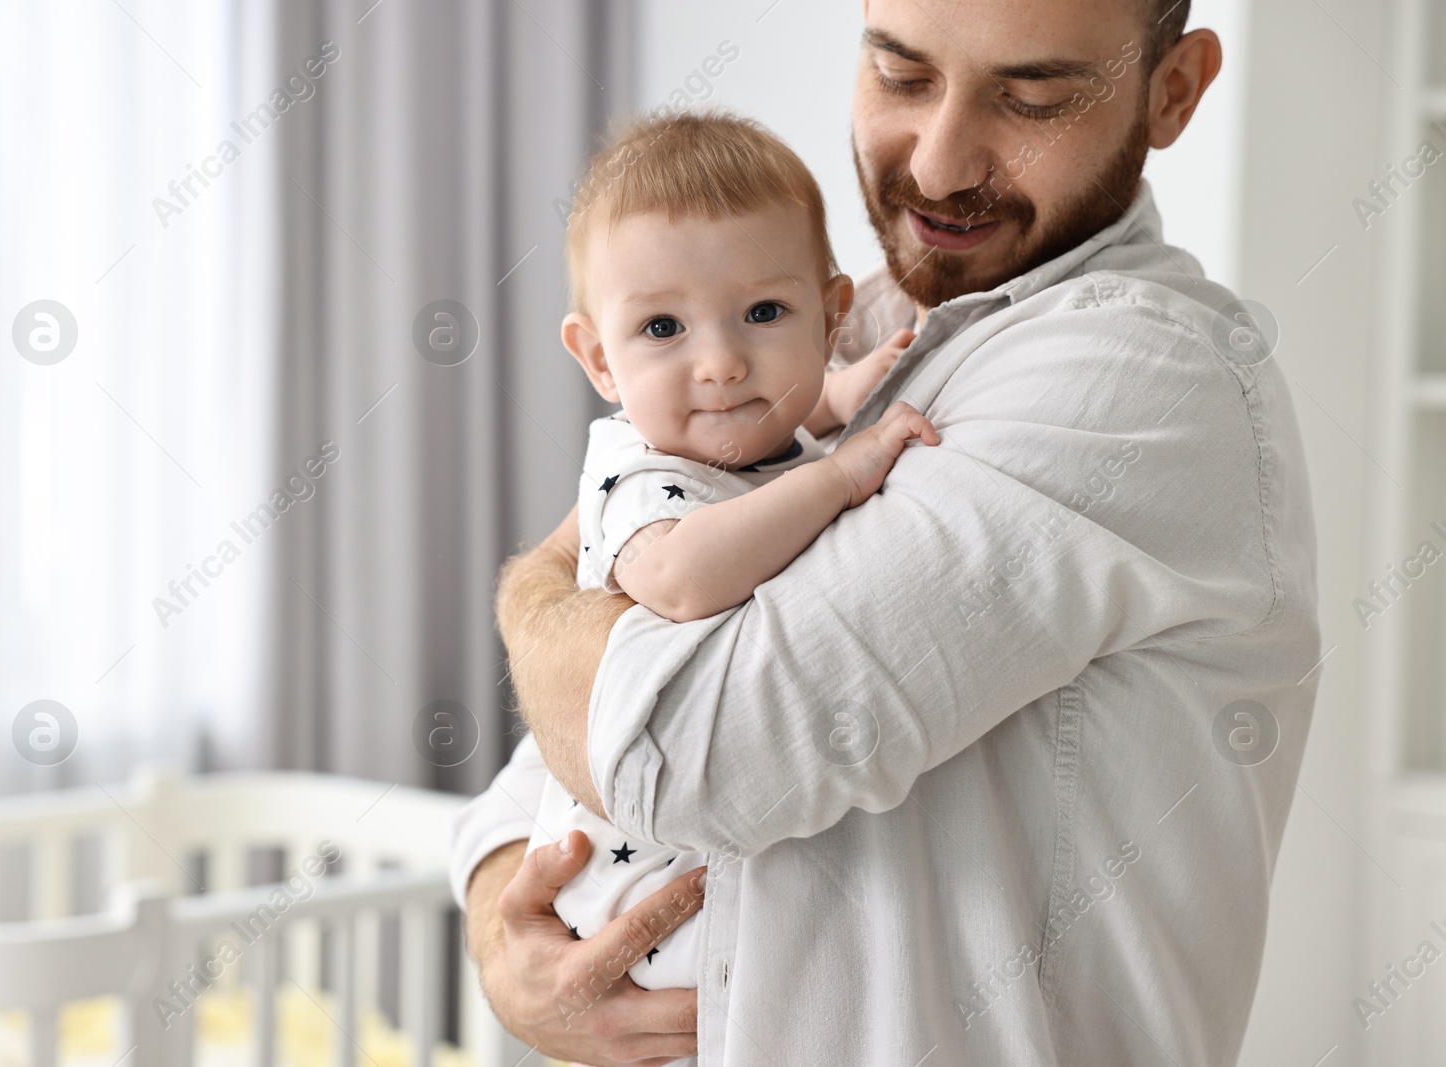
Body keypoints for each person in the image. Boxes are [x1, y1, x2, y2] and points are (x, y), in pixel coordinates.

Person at [450, 1, 1321, 1063]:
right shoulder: (814, 327)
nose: (943, 163)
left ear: (1172, 90)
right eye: (901, 77)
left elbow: (685, 755)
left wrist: (527, 595)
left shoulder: (1140, 371)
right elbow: (545, 761)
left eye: (1030, 98)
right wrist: (507, 928)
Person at [525, 110, 940, 1011]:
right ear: (599, 357)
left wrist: (843, 397)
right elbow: (681, 577)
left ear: (832, 319)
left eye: (763, 312)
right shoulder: (634, 473)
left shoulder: (753, 427)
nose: (720, 363)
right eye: (663, 328)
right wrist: (840, 476)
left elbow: (779, 420)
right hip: (643, 907)